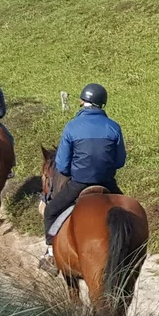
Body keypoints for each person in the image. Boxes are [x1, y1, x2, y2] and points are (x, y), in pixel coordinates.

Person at [43, 83, 126, 236]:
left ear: (82, 102)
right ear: (103, 104)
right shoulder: (114, 127)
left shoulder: (71, 127)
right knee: (128, 214)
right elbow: (120, 161)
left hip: (79, 183)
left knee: (50, 212)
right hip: (107, 182)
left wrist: (73, 172)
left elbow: (61, 165)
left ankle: (50, 249)